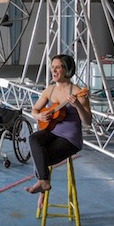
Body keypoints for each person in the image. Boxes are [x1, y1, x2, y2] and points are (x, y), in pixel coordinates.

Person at [26, 54, 92, 195]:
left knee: (42, 156)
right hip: (52, 132)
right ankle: (43, 183)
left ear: (67, 70)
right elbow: (34, 110)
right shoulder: (49, 90)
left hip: (70, 139)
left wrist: (78, 106)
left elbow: (88, 122)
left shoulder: (77, 92)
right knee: (33, 139)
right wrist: (39, 115)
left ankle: (43, 186)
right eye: (52, 67)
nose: (53, 71)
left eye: (58, 67)